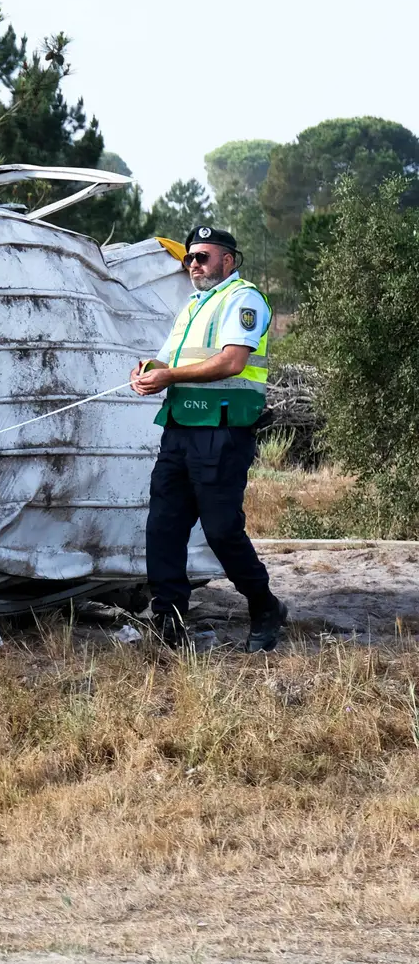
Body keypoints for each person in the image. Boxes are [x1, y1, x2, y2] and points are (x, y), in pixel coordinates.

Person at [129, 224, 287, 651]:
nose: (193, 265)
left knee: (221, 531)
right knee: (163, 526)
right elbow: (168, 356)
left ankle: (264, 606)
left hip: (222, 431)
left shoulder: (243, 299)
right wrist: (147, 370)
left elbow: (232, 362)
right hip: (180, 428)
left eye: (202, 257)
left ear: (228, 261)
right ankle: (168, 621)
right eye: (189, 258)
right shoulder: (195, 304)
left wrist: (169, 375)